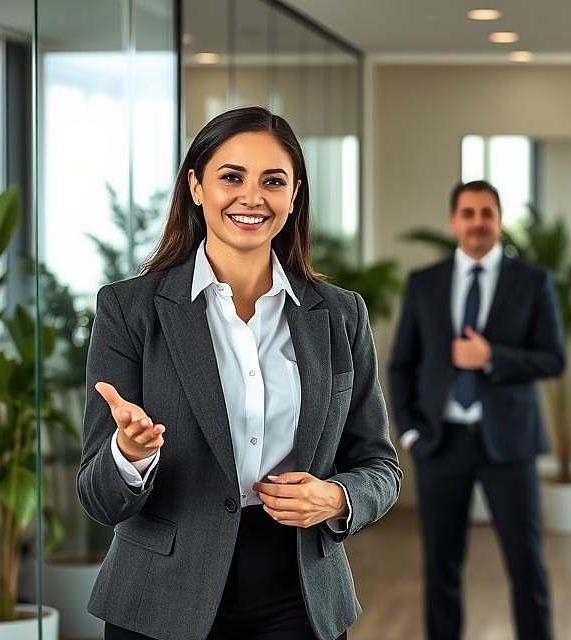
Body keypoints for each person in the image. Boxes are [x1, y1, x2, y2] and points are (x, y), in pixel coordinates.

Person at [77, 106, 401, 640]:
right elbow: (98, 498)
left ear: (294, 196)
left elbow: (379, 466)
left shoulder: (341, 314)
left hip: (300, 593)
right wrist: (129, 455)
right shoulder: (129, 309)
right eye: (231, 177)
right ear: (196, 187)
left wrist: (338, 497)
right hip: (161, 595)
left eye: (273, 181)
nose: (252, 198)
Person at [389, 180, 564, 640]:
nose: (478, 222)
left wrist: (492, 357)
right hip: (440, 442)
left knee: (526, 564)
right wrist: (410, 432)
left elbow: (553, 358)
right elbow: (402, 364)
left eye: (487, 213)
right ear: (454, 221)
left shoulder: (532, 282)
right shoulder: (424, 283)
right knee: (441, 565)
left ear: (500, 220)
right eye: (468, 213)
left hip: (510, 444)